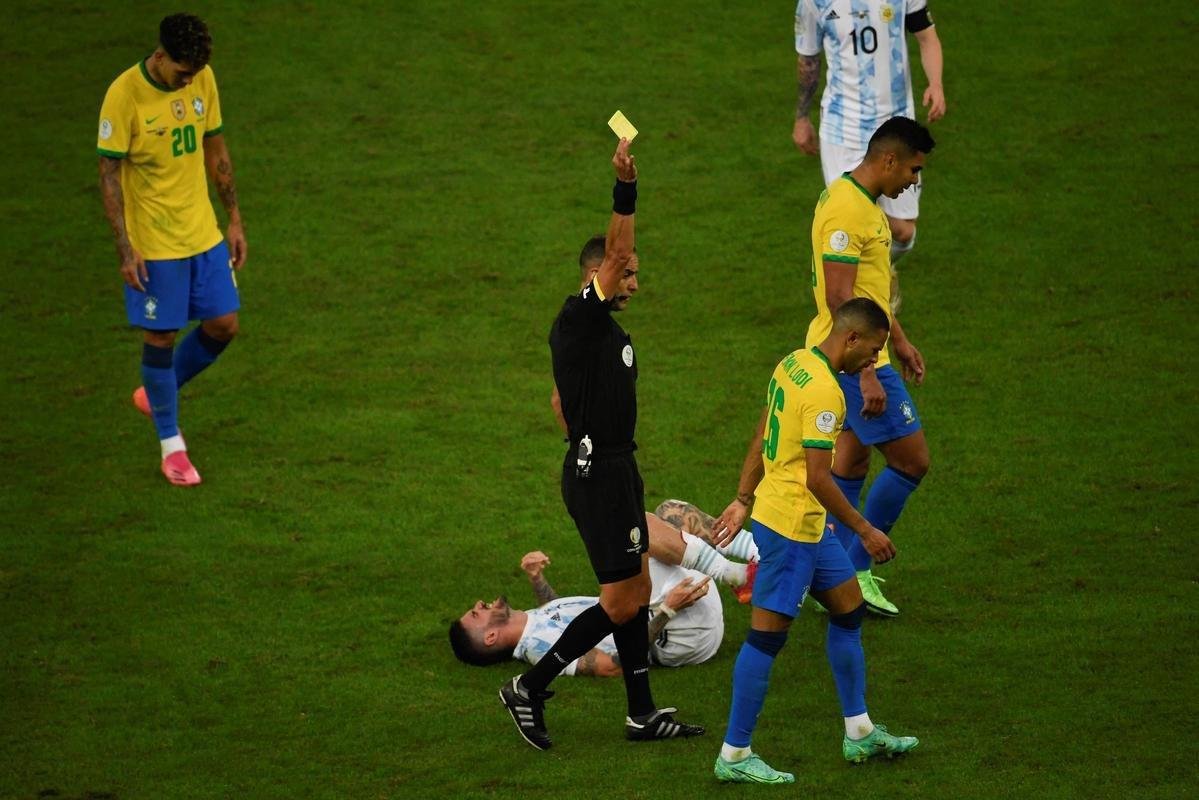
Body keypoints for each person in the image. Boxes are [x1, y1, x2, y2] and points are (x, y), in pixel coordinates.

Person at [498, 139, 704, 751]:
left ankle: (640, 712)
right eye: (629, 271)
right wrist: (625, 189)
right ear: (599, 274)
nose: (636, 280)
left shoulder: (606, 332)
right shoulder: (580, 318)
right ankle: (529, 688)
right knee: (620, 601)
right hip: (599, 478)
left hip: (618, 468)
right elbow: (617, 248)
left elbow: (562, 403)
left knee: (636, 593)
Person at [708, 298, 919, 784]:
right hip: (791, 526)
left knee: (848, 609)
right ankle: (734, 754)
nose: (874, 360)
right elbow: (821, 479)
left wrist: (743, 497)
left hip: (803, 522)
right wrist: (865, 530)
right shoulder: (826, 392)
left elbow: (764, 431)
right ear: (850, 338)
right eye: (873, 350)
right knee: (766, 637)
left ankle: (859, 729)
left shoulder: (793, 362)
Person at [97, 13, 246, 486]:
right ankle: (172, 446)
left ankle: (157, 392)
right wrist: (125, 247)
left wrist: (234, 218)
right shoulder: (124, 97)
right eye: (183, 72)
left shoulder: (202, 77)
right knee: (160, 337)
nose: (190, 81)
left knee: (224, 325)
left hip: (202, 233)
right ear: (160, 57)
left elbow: (216, 149)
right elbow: (108, 176)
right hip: (156, 243)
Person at [805, 117, 934, 616]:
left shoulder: (864, 205)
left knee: (852, 463)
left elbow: (870, 292)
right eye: (914, 170)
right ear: (889, 160)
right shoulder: (845, 210)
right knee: (911, 462)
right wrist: (866, 369)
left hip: (865, 351)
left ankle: (825, 570)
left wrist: (898, 340)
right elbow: (842, 298)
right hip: (853, 360)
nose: (914, 182)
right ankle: (852, 569)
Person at [450, 511, 742, 675]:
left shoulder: (532, 624)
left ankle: (751, 560)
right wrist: (668, 610)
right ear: (490, 638)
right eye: (476, 613)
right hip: (681, 632)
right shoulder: (539, 649)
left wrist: (537, 580)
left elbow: (566, 619)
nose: (478, 604)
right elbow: (614, 666)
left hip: (683, 611)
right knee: (634, 531)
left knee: (668, 515)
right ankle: (743, 567)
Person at [792, 0, 946, 310]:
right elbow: (808, 61)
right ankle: (853, 292)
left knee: (903, 231)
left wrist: (936, 84)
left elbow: (927, 37)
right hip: (843, 128)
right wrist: (802, 117)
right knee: (852, 216)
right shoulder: (813, 2)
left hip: (896, 126)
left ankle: (872, 270)